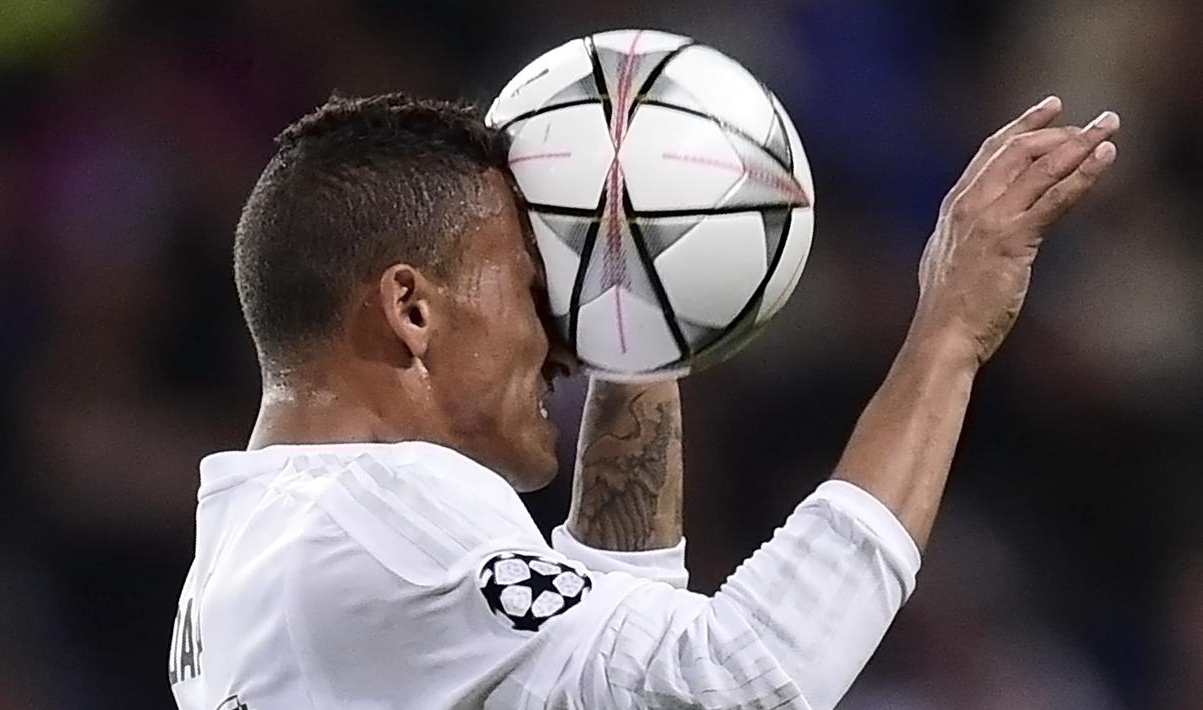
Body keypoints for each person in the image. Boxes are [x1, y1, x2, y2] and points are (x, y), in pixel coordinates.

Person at [167, 92, 1119, 709]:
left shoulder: (251, 545)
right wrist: (949, 332)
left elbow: (618, 658)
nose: (558, 339)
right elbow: (737, 681)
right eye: (533, 285)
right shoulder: (385, 513)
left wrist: (637, 318)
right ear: (412, 309)